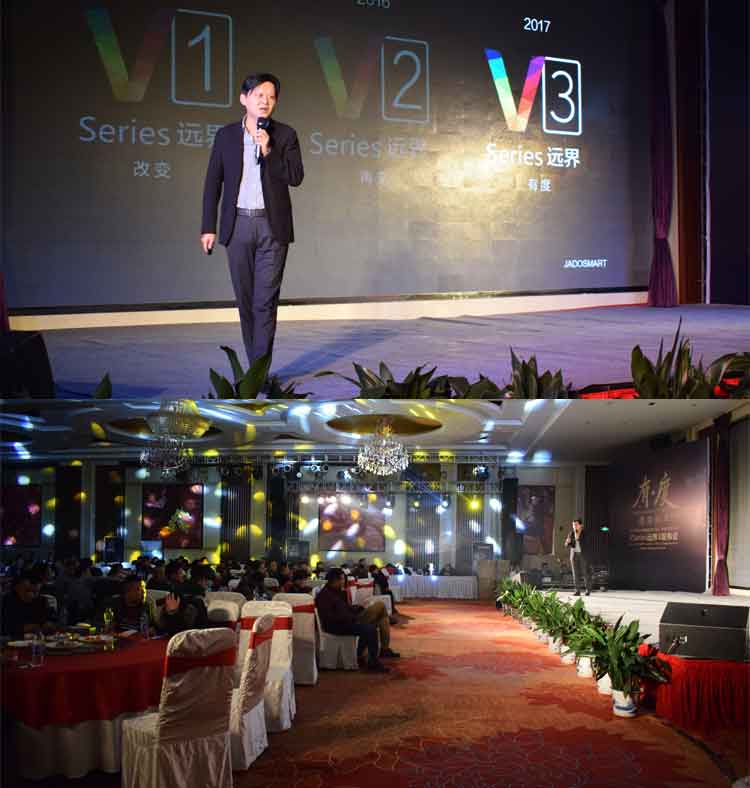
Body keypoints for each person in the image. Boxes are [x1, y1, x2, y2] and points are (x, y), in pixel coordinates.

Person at [201, 72, 304, 367]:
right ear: (244, 99)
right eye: (259, 95)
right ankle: (254, 369)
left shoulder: (285, 135)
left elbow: (295, 177)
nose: (265, 101)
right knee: (246, 303)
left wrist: (268, 150)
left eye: (271, 97)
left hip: (272, 227)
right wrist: (208, 227)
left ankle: (260, 372)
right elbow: (213, 182)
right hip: (238, 226)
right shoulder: (225, 136)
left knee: (265, 303)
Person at [315, 568, 399, 672]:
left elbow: (345, 608)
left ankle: (376, 654)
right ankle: (374, 659)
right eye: (342, 579)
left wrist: (357, 608)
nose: (344, 581)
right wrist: (351, 618)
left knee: (382, 619)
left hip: (349, 620)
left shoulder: (337, 592)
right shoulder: (324, 596)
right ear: (335, 580)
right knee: (377, 614)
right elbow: (329, 617)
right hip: (339, 626)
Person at [1, 572, 56, 637]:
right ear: (17, 588)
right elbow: (7, 628)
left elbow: (51, 620)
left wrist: (49, 624)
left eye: (36, 592)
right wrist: (31, 627)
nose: (31, 595)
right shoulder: (8, 601)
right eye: (27, 591)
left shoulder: (41, 600)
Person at [565, 518, 591, 596]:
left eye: (576, 525)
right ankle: (577, 591)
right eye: (573, 525)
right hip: (574, 555)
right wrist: (568, 542)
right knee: (575, 573)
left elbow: (587, 543)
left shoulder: (585, 533)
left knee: (585, 572)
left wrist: (577, 536)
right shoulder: (571, 533)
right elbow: (566, 545)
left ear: (581, 525)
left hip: (583, 554)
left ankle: (587, 590)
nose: (574, 526)